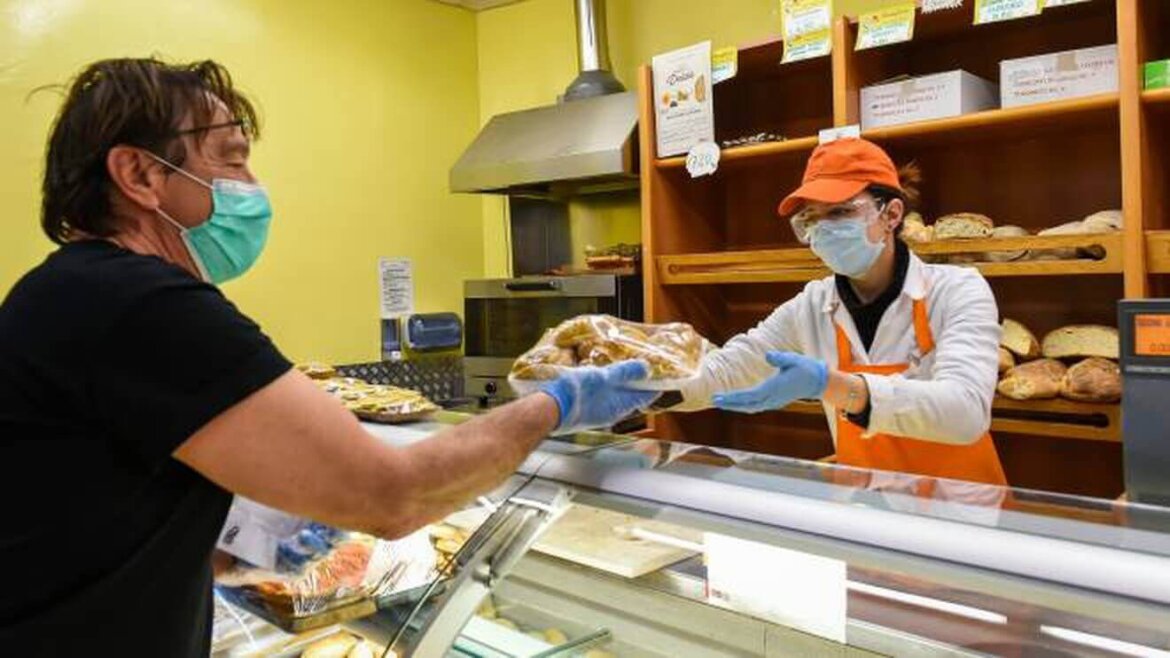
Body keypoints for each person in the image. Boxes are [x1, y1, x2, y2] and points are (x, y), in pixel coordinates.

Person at [0, 58, 656, 657]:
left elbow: (110, 524)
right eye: (231, 160)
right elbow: (395, 496)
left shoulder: (74, 292)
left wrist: (245, 548)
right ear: (141, 175)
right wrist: (556, 404)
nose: (253, 188)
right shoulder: (137, 303)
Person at [677, 137, 1007, 486]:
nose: (824, 230)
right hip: (870, 514)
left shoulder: (957, 291)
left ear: (891, 214)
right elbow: (728, 368)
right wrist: (646, 388)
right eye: (812, 219)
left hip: (962, 517)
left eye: (839, 212)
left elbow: (966, 412)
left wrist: (835, 386)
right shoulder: (812, 306)